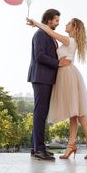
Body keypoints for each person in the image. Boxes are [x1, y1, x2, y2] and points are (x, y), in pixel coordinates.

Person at [26, 16, 87, 159]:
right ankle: (71, 146)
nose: (64, 24)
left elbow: (49, 31)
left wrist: (36, 23)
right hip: (65, 75)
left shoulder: (69, 40)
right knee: (73, 113)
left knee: (78, 113)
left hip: (68, 75)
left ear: (75, 27)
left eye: (68, 23)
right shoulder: (69, 41)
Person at [27, 8, 71, 161]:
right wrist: (58, 63)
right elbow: (40, 56)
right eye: (56, 20)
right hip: (41, 78)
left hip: (44, 77)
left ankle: (35, 148)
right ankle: (39, 149)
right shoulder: (41, 34)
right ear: (49, 19)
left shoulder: (47, 35)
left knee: (40, 114)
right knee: (40, 114)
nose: (58, 23)